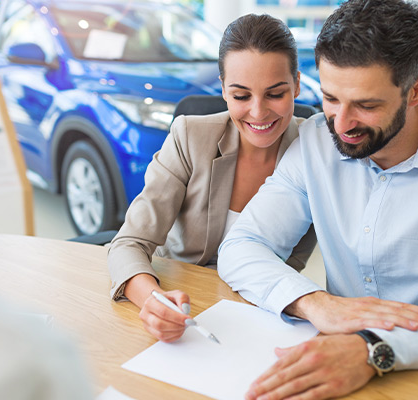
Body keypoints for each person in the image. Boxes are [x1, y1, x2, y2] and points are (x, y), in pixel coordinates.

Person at [218, 0, 418, 399]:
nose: (342, 123)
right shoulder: (317, 139)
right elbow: (242, 245)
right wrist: (316, 303)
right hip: (339, 358)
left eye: (366, 105)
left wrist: (373, 347)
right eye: (332, 98)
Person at [107, 14, 317, 343]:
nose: (259, 112)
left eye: (275, 94)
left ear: (298, 85)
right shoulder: (191, 136)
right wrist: (152, 301)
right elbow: (128, 243)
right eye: (241, 96)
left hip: (261, 312)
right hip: (182, 304)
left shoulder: (317, 151)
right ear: (222, 89)